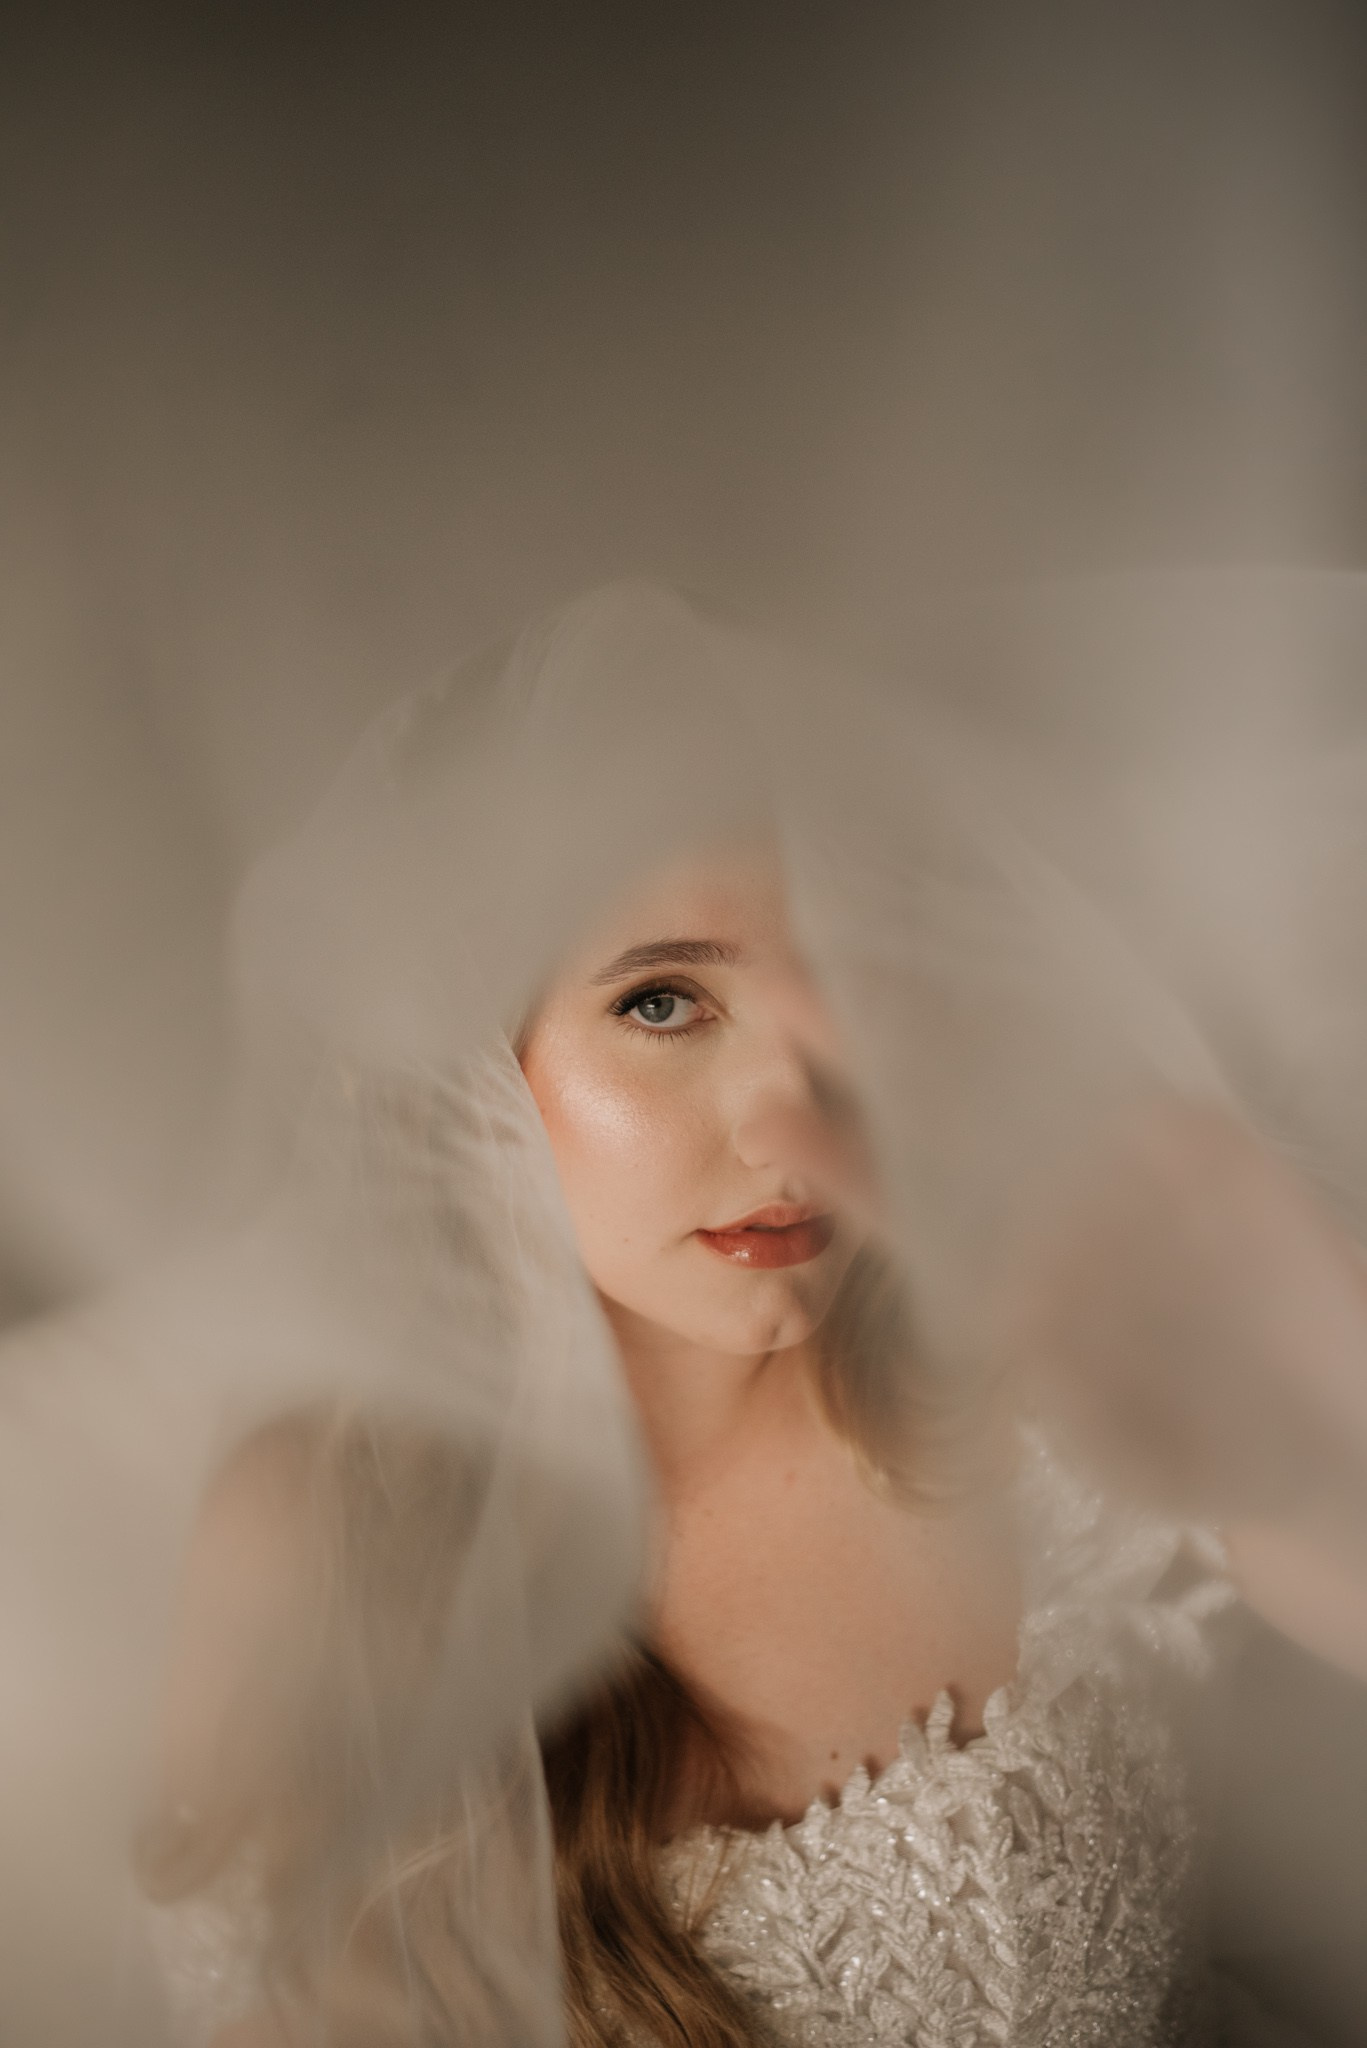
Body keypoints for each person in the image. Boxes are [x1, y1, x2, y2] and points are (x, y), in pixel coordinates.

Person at [136, 583, 1367, 2047]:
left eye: (845, 990)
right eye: (663, 1003)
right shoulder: (322, 1528)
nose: (791, 1123)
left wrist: (1307, 1441)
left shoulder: (1031, 1373)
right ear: (471, 1061)